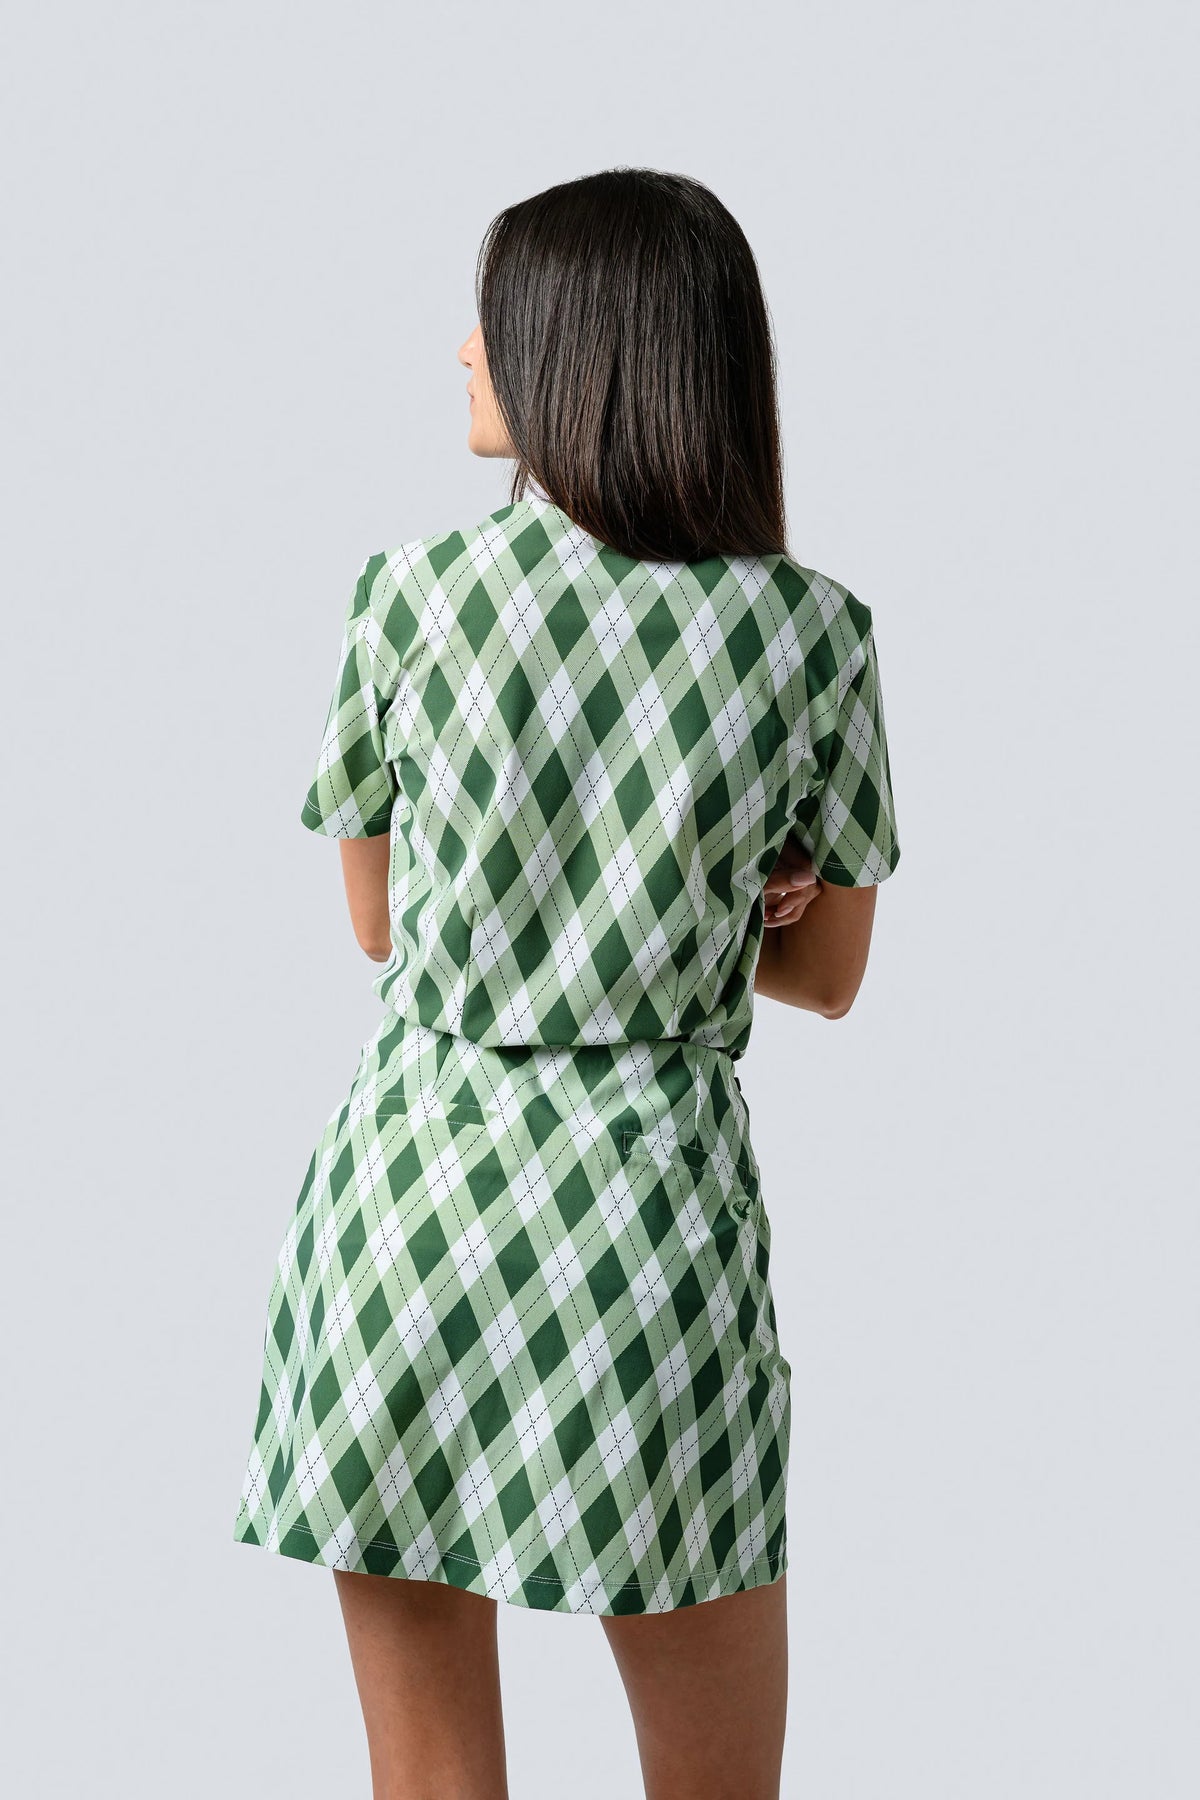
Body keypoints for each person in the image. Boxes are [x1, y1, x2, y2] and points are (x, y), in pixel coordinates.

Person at [232, 166, 901, 1800]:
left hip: (410, 1213)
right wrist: (726, 902)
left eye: (495, 317)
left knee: (432, 1782)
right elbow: (828, 978)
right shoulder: (811, 633)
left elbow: (383, 929)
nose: (465, 349)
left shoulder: (409, 597)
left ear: (581, 346)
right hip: (645, 1238)